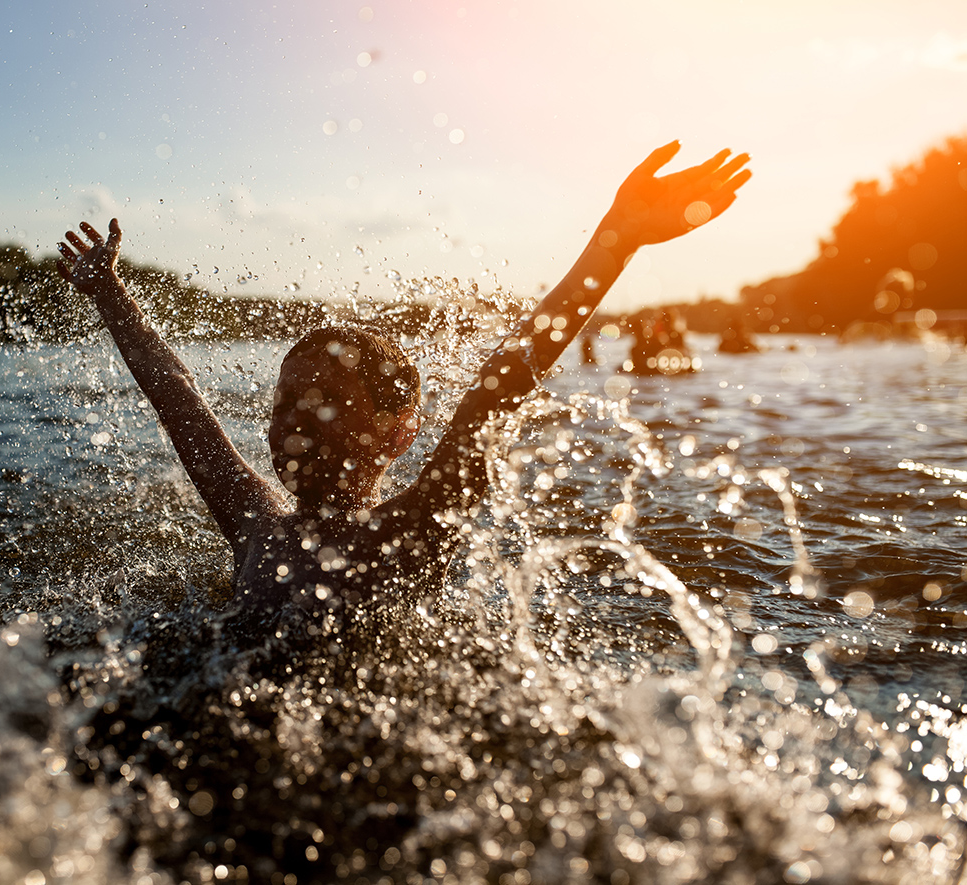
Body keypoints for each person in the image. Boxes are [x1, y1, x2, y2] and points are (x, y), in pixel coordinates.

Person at [57, 141, 750, 640]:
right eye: (286, 400)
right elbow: (179, 400)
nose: (295, 417)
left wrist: (615, 241)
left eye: (325, 399)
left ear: (399, 431)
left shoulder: (411, 530)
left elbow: (498, 388)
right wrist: (111, 293)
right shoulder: (253, 520)